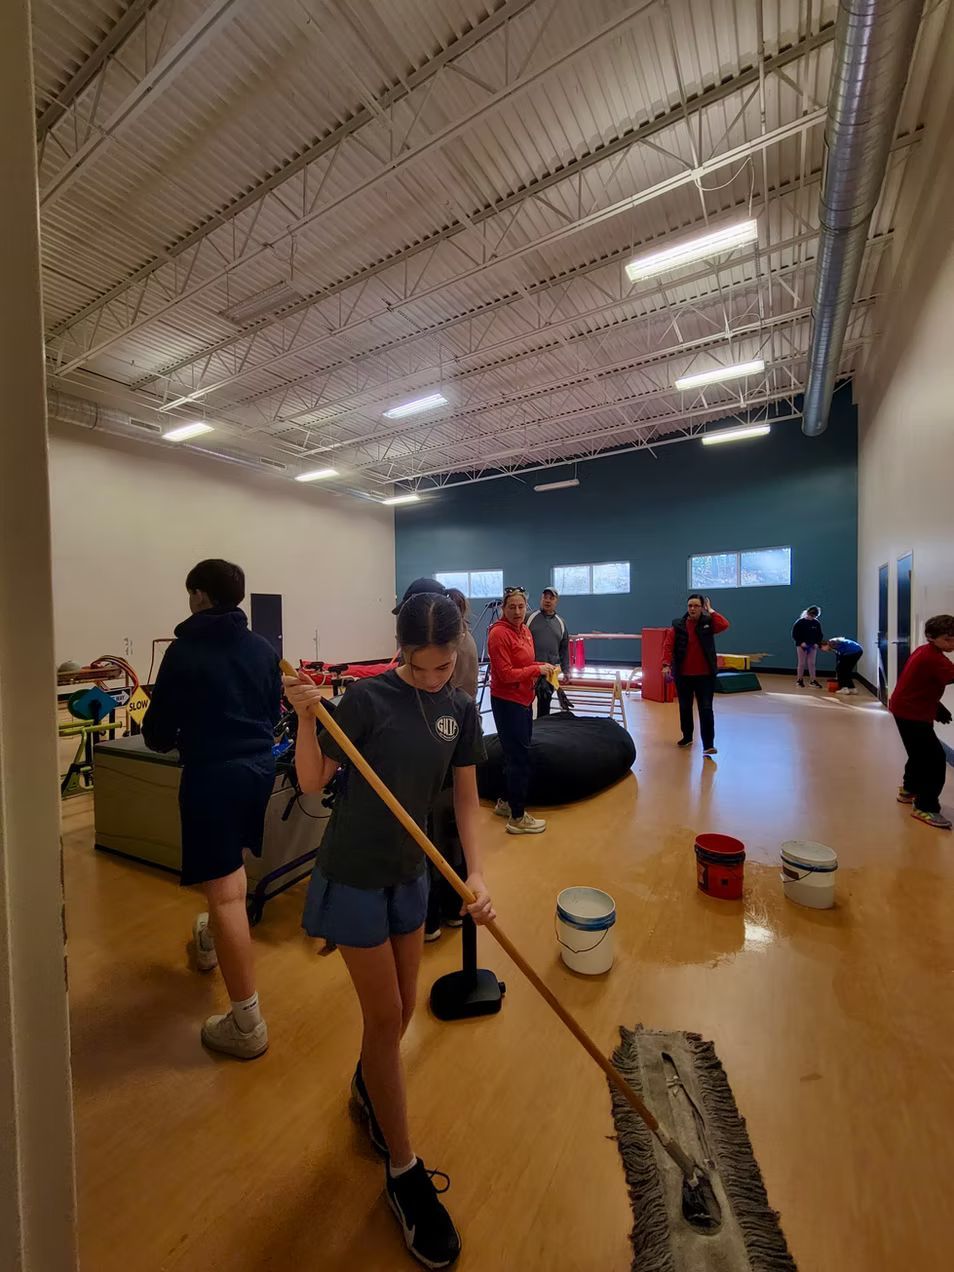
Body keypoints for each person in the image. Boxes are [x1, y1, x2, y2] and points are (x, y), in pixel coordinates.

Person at [284, 592, 493, 1268]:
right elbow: (314, 783)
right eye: (423, 667)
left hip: (412, 874)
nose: (435, 678)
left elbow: (465, 798)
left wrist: (477, 878)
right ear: (402, 651)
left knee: (403, 1010)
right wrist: (309, 718)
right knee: (384, 1020)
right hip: (354, 875)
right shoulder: (370, 703)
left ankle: (368, 1086)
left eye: (445, 666)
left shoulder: (460, 709)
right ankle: (403, 1172)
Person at [142, 559, 281, 1059]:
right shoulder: (264, 649)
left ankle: (246, 1023)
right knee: (229, 872)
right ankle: (210, 940)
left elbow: (157, 734)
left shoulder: (184, 653)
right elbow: (271, 714)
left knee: (224, 893)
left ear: (199, 596)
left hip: (212, 776)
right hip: (258, 771)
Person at [426, 587, 477, 940]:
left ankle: (432, 916)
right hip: (458, 741)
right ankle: (453, 907)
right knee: (452, 830)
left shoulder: (454, 648)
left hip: (443, 744)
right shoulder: (469, 641)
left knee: (435, 833)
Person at [487, 586, 555, 833]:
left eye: (520, 606)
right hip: (508, 702)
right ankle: (517, 817)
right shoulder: (498, 635)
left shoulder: (525, 630)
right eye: (511, 607)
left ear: (527, 607)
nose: (517, 611)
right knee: (519, 757)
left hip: (525, 700)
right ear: (503, 609)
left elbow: (524, 664)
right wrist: (535, 670)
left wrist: (541, 665)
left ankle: (506, 801)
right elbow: (505, 675)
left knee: (515, 753)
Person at [888, 614, 954, 831]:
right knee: (934, 759)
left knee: (919, 753)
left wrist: (936, 706)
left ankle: (909, 790)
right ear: (931, 637)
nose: (952, 643)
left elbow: (922, 683)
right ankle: (925, 806)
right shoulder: (933, 658)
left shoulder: (926, 651)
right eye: (948, 639)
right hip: (912, 712)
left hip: (908, 708)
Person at [661, 594, 730, 755]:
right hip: (683, 676)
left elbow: (724, 624)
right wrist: (666, 664)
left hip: (705, 676)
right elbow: (668, 646)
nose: (692, 609)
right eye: (690, 606)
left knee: (706, 709)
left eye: (696, 606)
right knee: (685, 708)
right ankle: (687, 736)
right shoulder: (678, 626)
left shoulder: (708, 623)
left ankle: (708, 744)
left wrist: (711, 611)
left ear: (702, 607)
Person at [527, 586, 570, 717]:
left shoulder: (561, 623)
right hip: (529, 671)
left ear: (556, 601)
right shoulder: (529, 618)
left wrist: (566, 670)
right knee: (524, 706)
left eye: (551, 598)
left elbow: (564, 648)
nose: (547, 600)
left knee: (544, 709)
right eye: (545, 597)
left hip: (549, 673)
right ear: (541, 599)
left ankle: (541, 733)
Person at [792, 606, 824, 687]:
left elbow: (819, 635)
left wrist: (817, 643)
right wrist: (800, 642)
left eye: (814, 616)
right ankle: (799, 680)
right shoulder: (800, 622)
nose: (812, 617)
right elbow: (795, 635)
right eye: (811, 615)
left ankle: (813, 680)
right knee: (802, 663)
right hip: (801, 645)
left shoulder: (816, 623)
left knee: (812, 663)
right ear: (807, 613)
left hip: (812, 645)